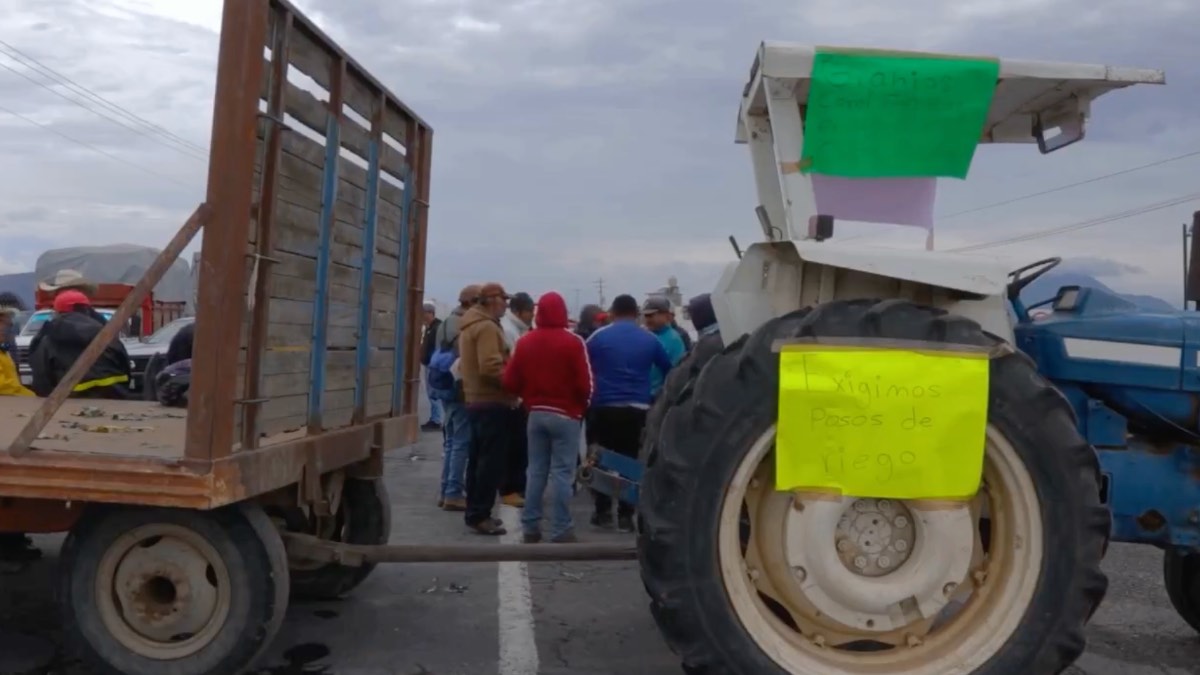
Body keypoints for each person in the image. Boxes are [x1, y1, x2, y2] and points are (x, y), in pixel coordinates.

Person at [502, 291, 592, 544]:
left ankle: (530, 526)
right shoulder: (573, 342)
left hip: (536, 413)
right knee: (563, 473)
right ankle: (561, 529)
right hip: (566, 415)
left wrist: (528, 397)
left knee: (536, 471)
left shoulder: (526, 341)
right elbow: (586, 385)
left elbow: (510, 380)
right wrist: (580, 408)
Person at [585, 294, 673, 532]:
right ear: (636, 314)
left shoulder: (598, 337)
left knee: (599, 458)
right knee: (630, 459)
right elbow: (669, 369)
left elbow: (584, 366)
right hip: (638, 407)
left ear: (612, 312)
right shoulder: (650, 339)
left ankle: (602, 512)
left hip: (604, 406)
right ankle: (626, 515)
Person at [457, 282, 516, 535]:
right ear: (492, 300)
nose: (506, 304)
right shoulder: (487, 328)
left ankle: (475, 512)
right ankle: (481, 514)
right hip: (492, 402)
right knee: (489, 464)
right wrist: (516, 385)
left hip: (476, 401)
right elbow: (491, 366)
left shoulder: (471, 324)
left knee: (477, 461)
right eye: (504, 299)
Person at [28, 290, 134, 399]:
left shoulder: (48, 338)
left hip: (68, 401)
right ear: (87, 309)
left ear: (58, 311)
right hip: (114, 396)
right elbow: (125, 363)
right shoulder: (105, 332)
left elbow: (41, 378)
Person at [433, 285, 479, 511]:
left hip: (444, 389)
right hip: (458, 389)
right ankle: (453, 492)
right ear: (471, 302)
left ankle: (445, 491)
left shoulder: (445, 322)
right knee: (461, 442)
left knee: (451, 441)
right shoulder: (463, 325)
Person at [498, 291, 535, 507]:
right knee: (515, 446)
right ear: (519, 311)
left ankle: (512, 487)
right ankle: (510, 489)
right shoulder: (510, 330)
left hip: (516, 396)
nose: (532, 316)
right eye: (530, 312)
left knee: (516, 445)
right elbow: (513, 366)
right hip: (513, 398)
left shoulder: (516, 329)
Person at [642, 296, 686, 399]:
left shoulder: (674, 339)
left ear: (667, 316)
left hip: (660, 399)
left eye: (652, 315)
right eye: (646, 315)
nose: (648, 319)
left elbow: (677, 373)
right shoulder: (642, 335)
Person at [420, 302, 443, 432]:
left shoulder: (436, 328)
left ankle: (436, 419)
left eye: (424, 313)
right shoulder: (430, 328)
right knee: (431, 392)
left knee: (433, 393)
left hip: (432, 365)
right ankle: (435, 418)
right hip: (429, 363)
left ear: (430, 313)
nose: (422, 316)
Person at [0, 307, 33, 397]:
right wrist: (30, 396)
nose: (3, 328)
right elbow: (2, 386)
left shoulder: (4, 352)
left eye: (6, 324)